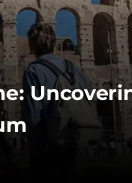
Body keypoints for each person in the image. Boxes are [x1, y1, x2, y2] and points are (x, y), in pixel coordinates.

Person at [21, 22, 92, 179]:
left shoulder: (33, 71)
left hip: (49, 148)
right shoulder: (74, 70)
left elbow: (33, 117)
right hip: (77, 143)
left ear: (31, 46)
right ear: (54, 44)